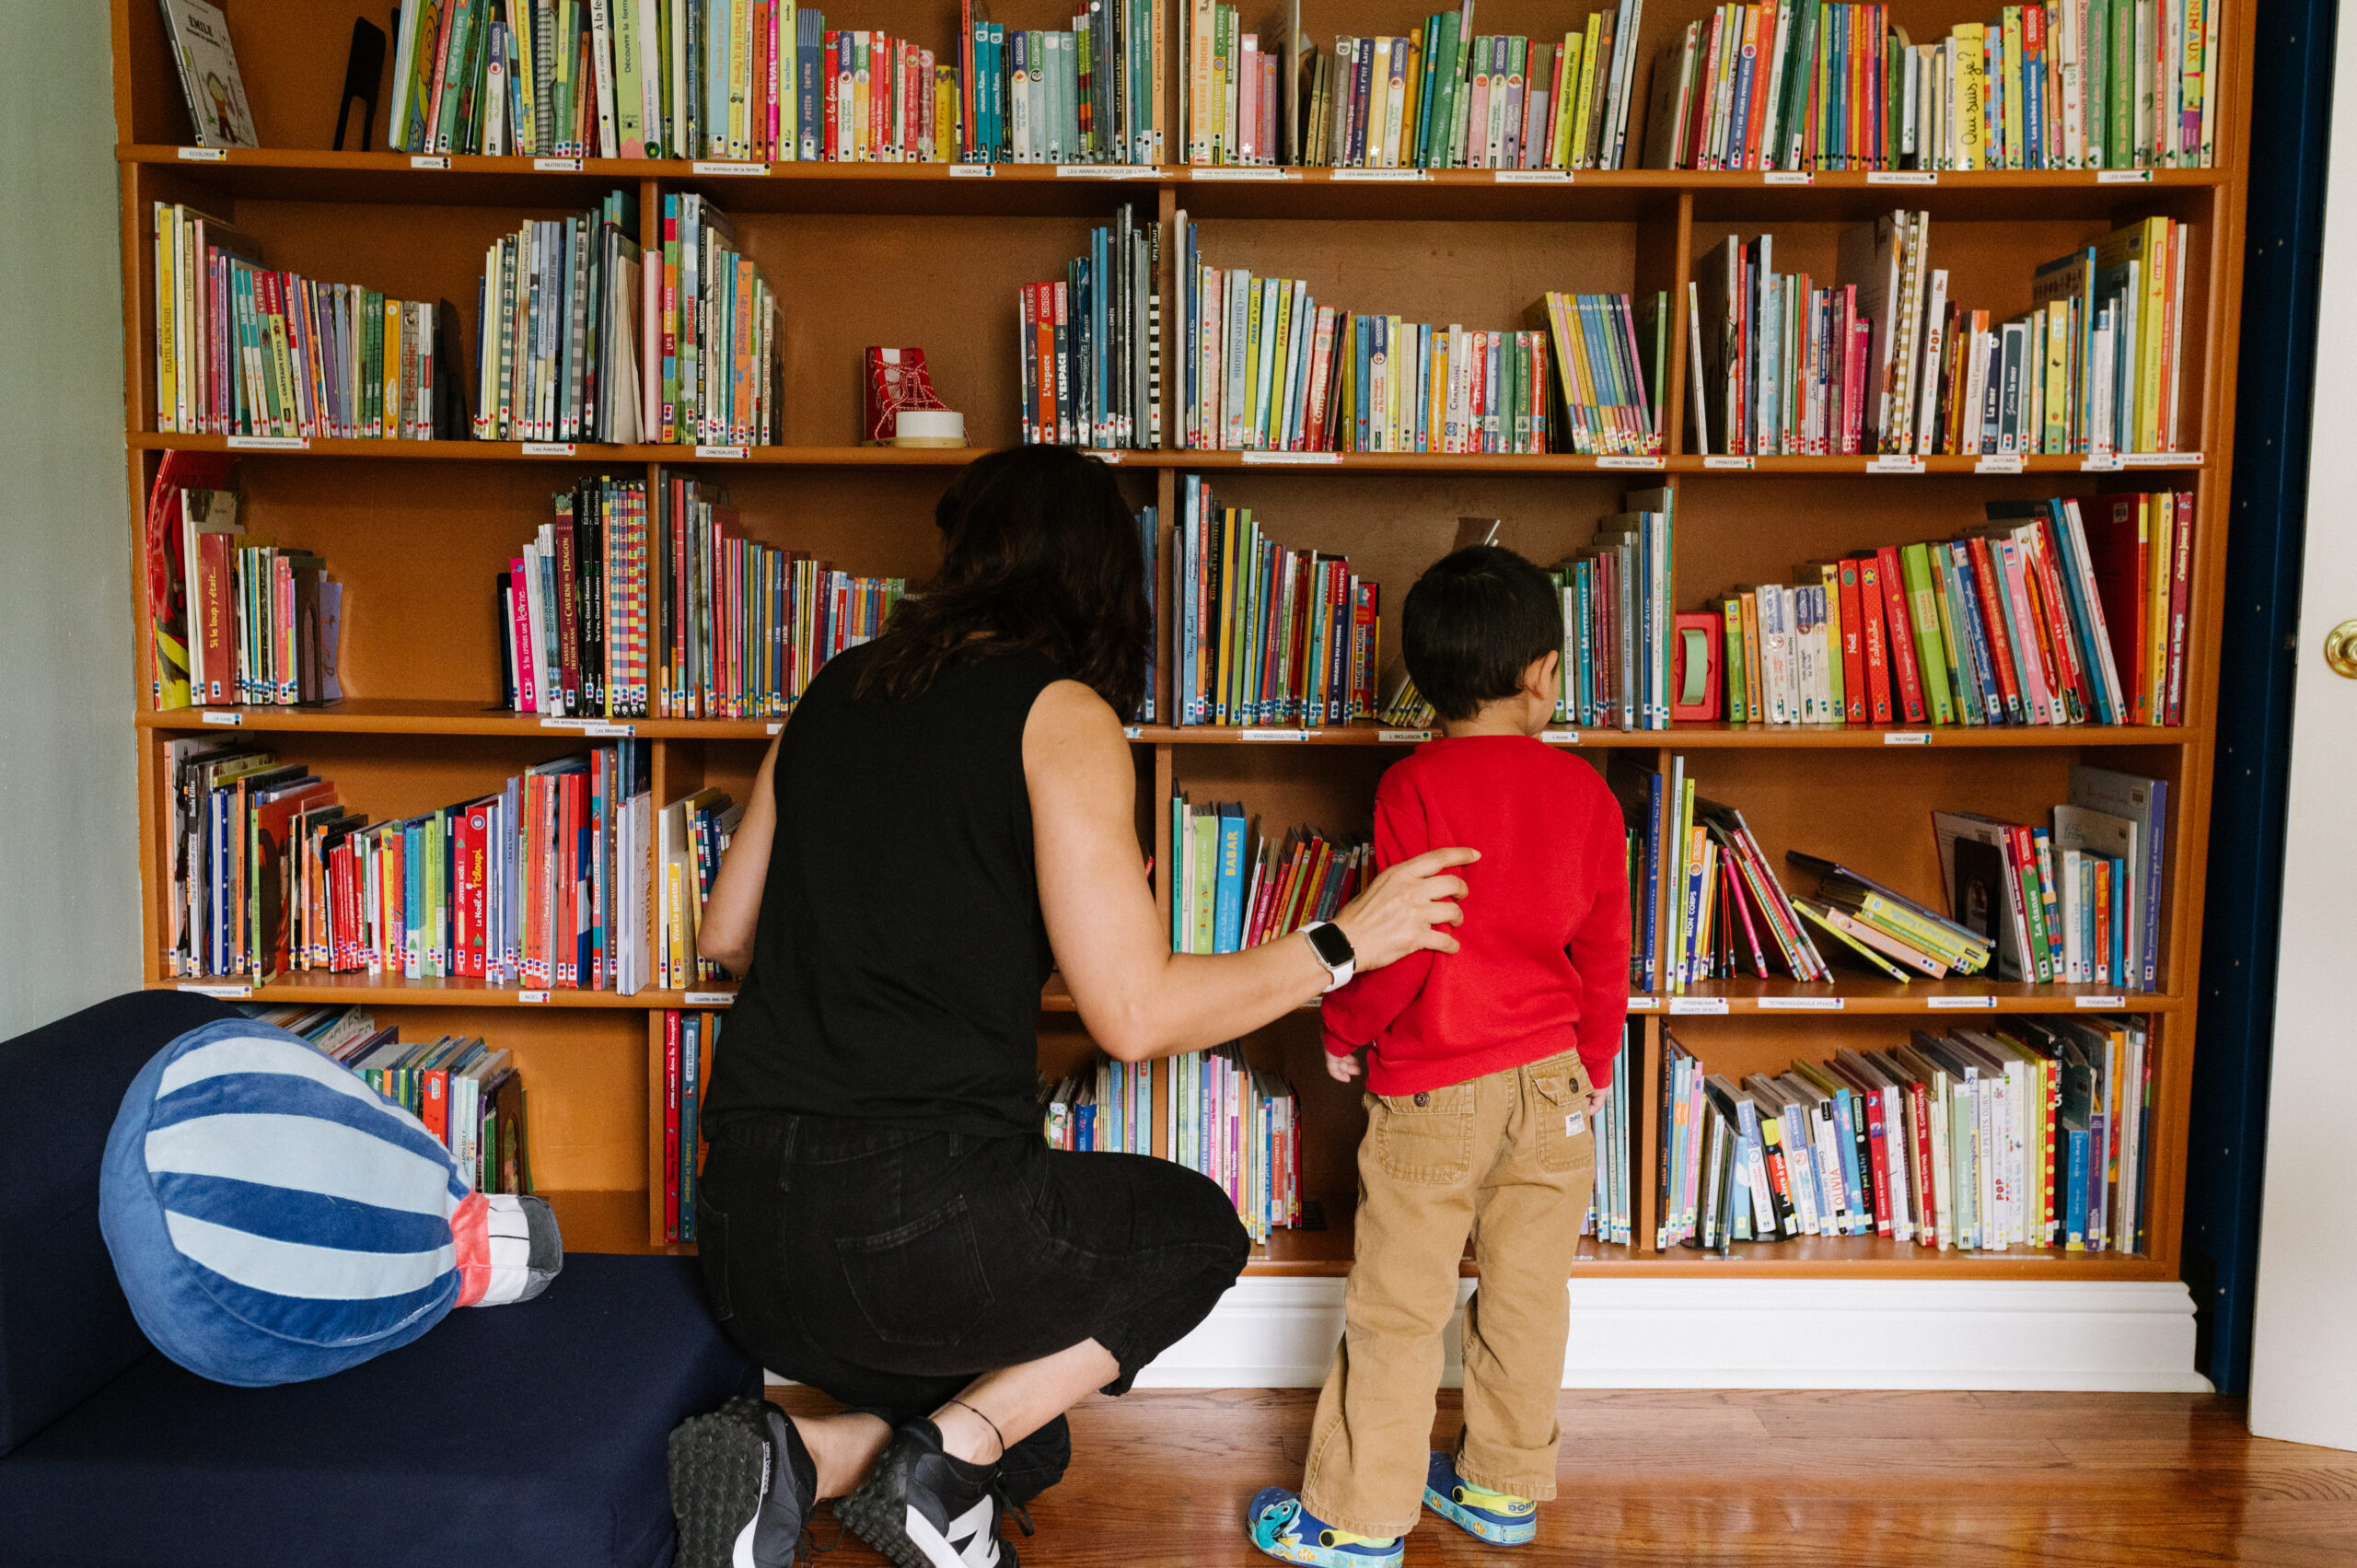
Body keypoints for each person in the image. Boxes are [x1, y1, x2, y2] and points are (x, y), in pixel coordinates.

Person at [663, 445, 1480, 1568]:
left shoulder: (836, 685)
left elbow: (728, 933)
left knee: (1027, 1435)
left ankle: (796, 1453)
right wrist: (1345, 940)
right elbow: (1133, 1015)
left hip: (749, 1239)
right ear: (1108, 573)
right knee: (1194, 1231)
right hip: (916, 1228)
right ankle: (939, 1459)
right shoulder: (1061, 712)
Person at [1245, 545, 1631, 1567]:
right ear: (1544, 671)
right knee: (1525, 1293)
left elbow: (1404, 941)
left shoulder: (1413, 786)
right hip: (1554, 1090)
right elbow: (1604, 954)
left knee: (1399, 1308)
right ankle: (1502, 1487)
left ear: (1426, 679)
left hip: (1439, 1088)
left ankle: (1360, 1518)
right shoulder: (1588, 795)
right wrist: (1589, 1061)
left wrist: (1342, 1029)